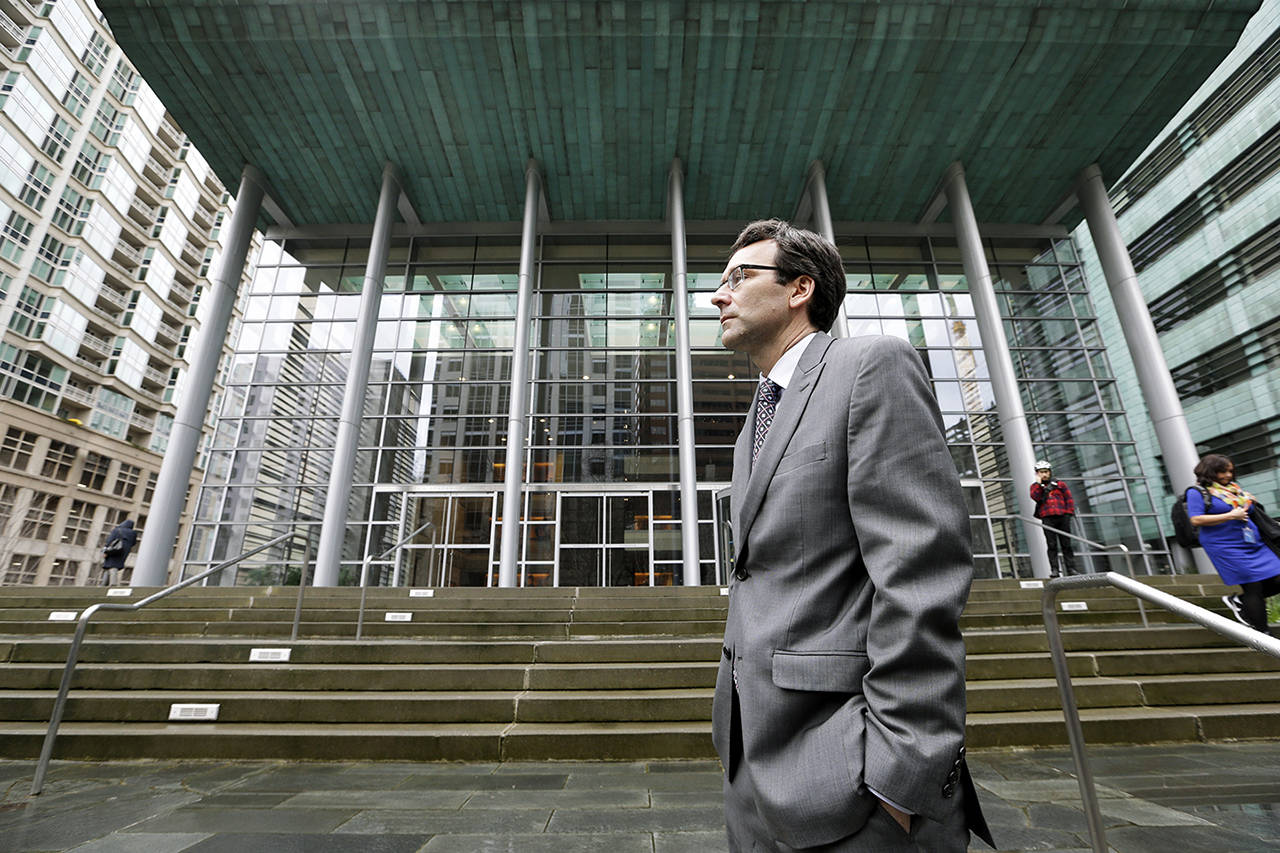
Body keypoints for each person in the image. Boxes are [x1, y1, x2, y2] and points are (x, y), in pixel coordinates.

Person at [709, 219, 991, 852]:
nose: (718, 296)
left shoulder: (871, 365)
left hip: (852, 777)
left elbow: (920, 573)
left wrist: (900, 777)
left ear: (799, 288)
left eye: (739, 277)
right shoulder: (754, 423)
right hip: (753, 766)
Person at [1187, 454, 1280, 635]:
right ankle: (1263, 635)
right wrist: (1231, 515)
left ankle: (1239, 600)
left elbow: (1252, 513)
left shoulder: (1235, 490)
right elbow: (1196, 519)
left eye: (1230, 471)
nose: (1228, 475)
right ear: (1210, 471)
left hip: (1253, 542)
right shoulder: (1197, 492)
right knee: (1253, 585)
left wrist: (1249, 501)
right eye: (1223, 471)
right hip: (1225, 545)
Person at [1030, 460, 1076, 577]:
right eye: (1041, 472)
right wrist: (1040, 485)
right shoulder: (1034, 487)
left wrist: (1068, 513)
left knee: (1066, 544)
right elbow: (1036, 497)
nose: (1044, 474)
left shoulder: (1060, 484)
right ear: (1037, 474)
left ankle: (1071, 569)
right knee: (1051, 545)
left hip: (1062, 516)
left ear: (1050, 472)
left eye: (1045, 472)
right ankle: (1055, 569)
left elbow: (1069, 498)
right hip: (1047, 518)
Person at [101, 519, 138, 586]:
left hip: (113, 550)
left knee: (112, 566)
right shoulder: (133, 533)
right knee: (112, 566)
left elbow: (110, 540)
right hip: (124, 551)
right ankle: (104, 583)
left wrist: (105, 549)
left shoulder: (117, 530)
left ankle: (113, 583)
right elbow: (133, 543)